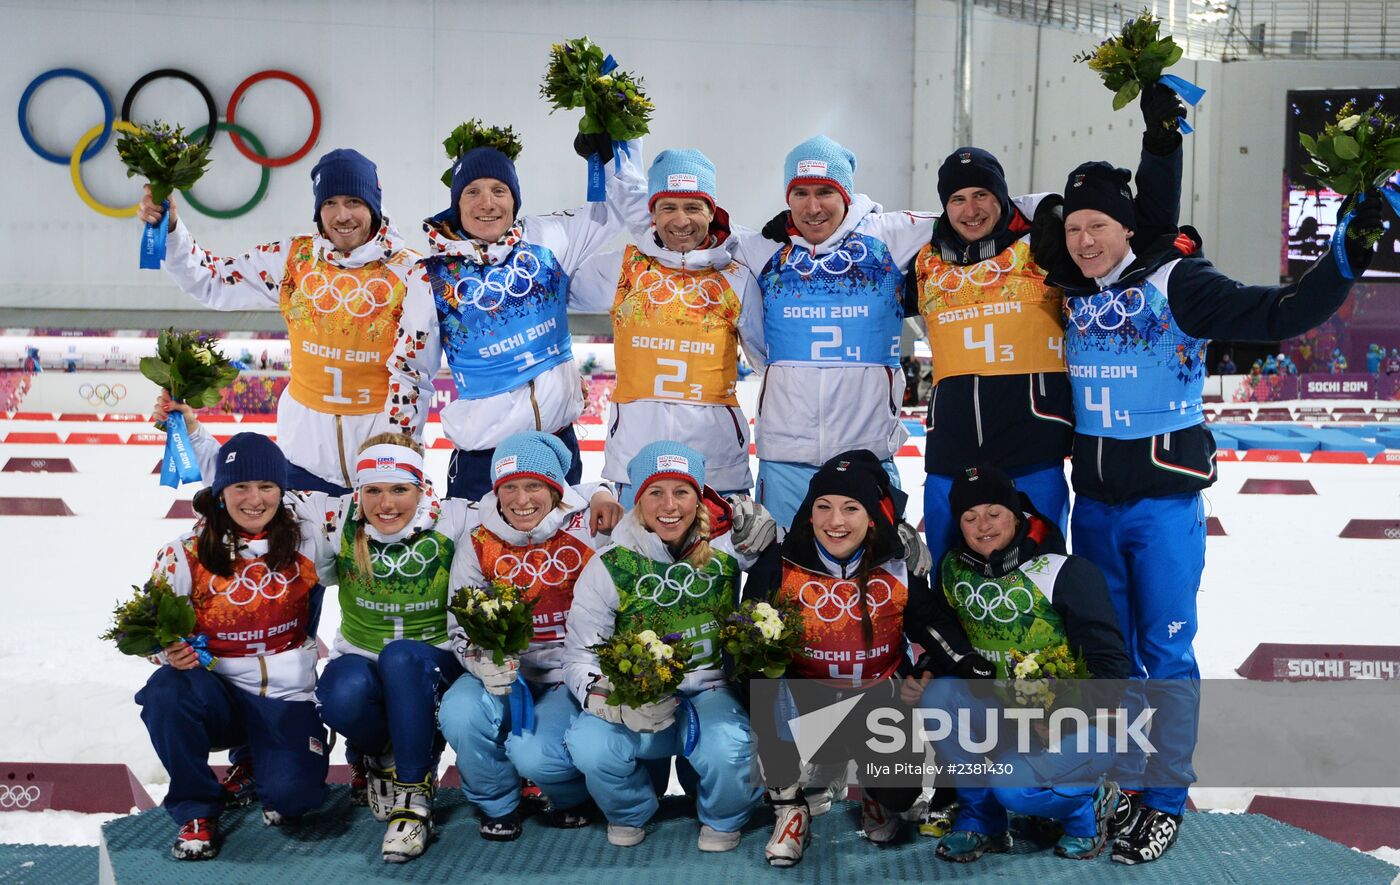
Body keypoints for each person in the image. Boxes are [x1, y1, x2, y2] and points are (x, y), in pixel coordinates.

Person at [1052, 157, 1388, 863]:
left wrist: (1346, 255)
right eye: (1075, 227)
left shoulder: (1181, 282)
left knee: (1166, 654)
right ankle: (1123, 779)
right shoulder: (1070, 291)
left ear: (1128, 225)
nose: (1085, 241)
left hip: (1163, 509)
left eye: (1100, 226)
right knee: (1110, 659)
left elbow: (1282, 312)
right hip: (1095, 510)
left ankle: (1166, 795)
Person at [137, 149, 431, 494]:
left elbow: (423, 367)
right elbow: (212, 281)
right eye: (330, 203)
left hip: (381, 455)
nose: (342, 215)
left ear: (373, 206)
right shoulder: (293, 260)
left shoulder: (412, 273)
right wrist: (170, 229)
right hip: (303, 454)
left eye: (354, 201)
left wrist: (398, 446)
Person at [744, 450, 986, 867]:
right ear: (809, 511)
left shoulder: (895, 562)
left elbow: (933, 626)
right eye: (824, 507)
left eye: (850, 508)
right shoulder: (780, 563)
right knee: (761, 681)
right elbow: (744, 638)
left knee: (901, 790)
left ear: (871, 515)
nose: (835, 521)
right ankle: (790, 808)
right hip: (807, 700)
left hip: (877, 696)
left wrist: (945, 666)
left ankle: (877, 793)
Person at [386, 136, 646, 500]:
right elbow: (411, 374)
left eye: (498, 190)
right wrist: (401, 461)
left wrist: (617, 150)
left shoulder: (546, 240)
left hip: (558, 449)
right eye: (472, 192)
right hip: (484, 460)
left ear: (515, 199)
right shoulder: (431, 276)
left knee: (563, 555)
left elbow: (609, 214)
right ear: (456, 204)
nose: (487, 203)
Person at [134, 432, 330, 860]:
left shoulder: (311, 541)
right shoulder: (183, 554)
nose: (254, 499)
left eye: (266, 486)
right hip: (215, 696)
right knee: (166, 690)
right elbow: (144, 630)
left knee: (296, 800)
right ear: (220, 492)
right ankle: (197, 807)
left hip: (285, 695)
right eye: (240, 486)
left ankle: (257, 760)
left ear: (283, 491)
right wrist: (166, 651)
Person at [561, 442, 764, 851]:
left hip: (711, 691)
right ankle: (631, 809)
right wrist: (608, 702)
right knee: (589, 742)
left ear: (699, 497)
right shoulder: (609, 564)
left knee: (730, 747)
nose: (669, 505)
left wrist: (772, 537)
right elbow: (581, 653)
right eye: (655, 492)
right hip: (639, 695)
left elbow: (805, 556)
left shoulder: (728, 553)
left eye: (682, 491)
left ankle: (723, 816)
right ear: (637, 500)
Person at [922, 465, 1130, 863]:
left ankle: (1086, 808)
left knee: (1013, 787)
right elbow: (955, 641)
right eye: (969, 517)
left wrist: (1065, 714)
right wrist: (931, 666)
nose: (982, 525)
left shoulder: (1062, 571)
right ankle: (981, 821)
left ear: (1016, 515)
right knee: (939, 697)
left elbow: (1112, 666)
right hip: (1007, 715)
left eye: (993, 512)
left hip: (1080, 720)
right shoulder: (952, 571)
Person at [732, 135, 937, 528]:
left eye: (825, 192)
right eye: (801, 193)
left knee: (875, 576)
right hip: (785, 458)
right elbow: (687, 235)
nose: (812, 207)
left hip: (867, 456)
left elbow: (975, 219)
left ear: (847, 194)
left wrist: (1051, 211)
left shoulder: (888, 235)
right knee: (781, 576)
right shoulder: (761, 248)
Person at [436, 432, 623, 841]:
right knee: (460, 713)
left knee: (535, 753)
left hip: (568, 674)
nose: (521, 499)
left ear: (556, 490)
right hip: (505, 672)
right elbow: (461, 626)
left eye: (535, 485)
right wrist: (480, 662)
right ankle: (498, 803)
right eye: (510, 487)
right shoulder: (477, 541)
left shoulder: (588, 526)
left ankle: (571, 796)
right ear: (496, 491)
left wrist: (603, 493)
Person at [570, 149, 765, 501]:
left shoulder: (736, 278)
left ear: (712, 211)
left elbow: (767, 359)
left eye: (693, 207)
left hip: (716, 462)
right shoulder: (623, 269)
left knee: (715, 557)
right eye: (668, 207)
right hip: (636, 459)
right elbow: (547, 291)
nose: (680, 220)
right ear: (652, 213)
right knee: (638, 555)